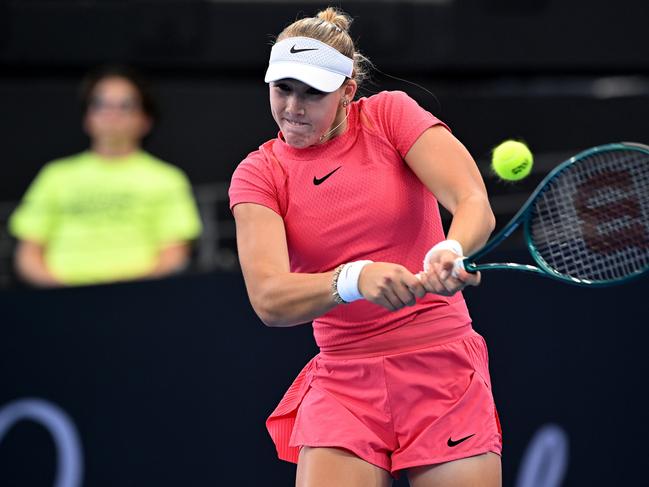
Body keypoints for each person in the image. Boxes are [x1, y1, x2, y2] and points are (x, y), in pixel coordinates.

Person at [229, 8, 501, 487]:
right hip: (343, 383)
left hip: (442, 367)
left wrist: (451, 248)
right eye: (282, 89)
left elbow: (471, 200)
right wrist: (353, 279)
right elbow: (269, 299)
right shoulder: (259, 173)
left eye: (312, 93)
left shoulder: (389, 115)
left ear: (348, 92)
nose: (293, 107)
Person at [9, 65, 202, 287]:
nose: (112, 113)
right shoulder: (55, 175)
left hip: (141, 301)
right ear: (87, 117)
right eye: (100, 104)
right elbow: (27, 254)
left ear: (146, 120)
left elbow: (174, 254)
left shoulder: (167, 178)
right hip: (60, 303)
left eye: (125, 105)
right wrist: (62, 291)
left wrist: (128, 292)